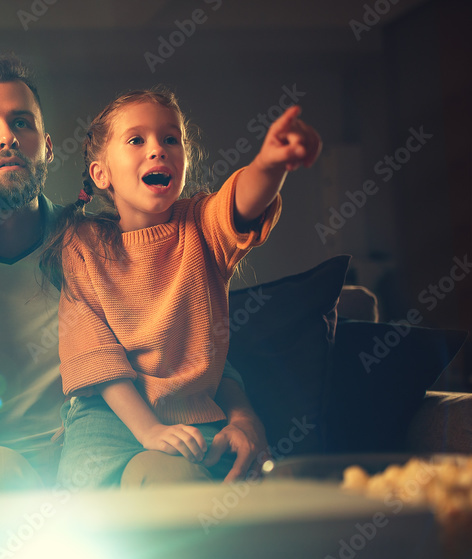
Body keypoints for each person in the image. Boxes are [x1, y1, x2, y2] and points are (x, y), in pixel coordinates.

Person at [0, 55, 273, 494]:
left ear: (48, 147)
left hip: (116, 455)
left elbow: (183, 347)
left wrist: (244, 416)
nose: (8, 139)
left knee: (172, 486)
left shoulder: (103, 245)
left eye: (22, 123)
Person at [42, 88, 321, 490]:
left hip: (192, 419)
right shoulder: (81, 245)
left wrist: (270, 163)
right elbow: (94, 357)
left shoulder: (202, 226)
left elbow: (242, 202)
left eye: (170, 139)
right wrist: (150, 431)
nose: (157, 149)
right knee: (92, 508)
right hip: (108, 421)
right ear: (101, 173)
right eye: (137, 139)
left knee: (186, 488)